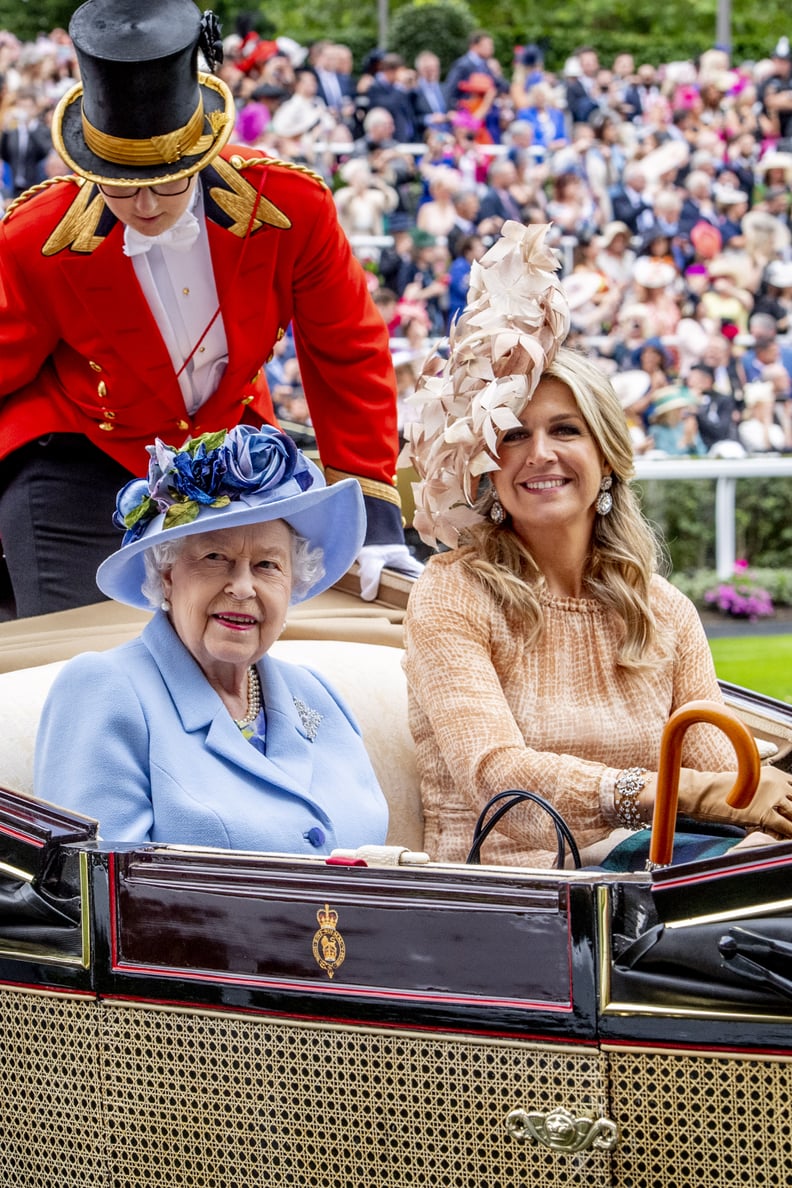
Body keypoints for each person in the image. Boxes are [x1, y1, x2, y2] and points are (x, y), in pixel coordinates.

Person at [0, 0, 417, 620]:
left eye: (168, 181)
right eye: (119, 184)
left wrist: (378, 514)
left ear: (204, 150)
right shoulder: (31, 237)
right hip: (81, 457)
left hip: (230, 450)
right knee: (82, 658)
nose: (143, 207)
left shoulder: (292, 208)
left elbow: (347, 350)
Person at [400, 221, 792, 870]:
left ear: (606, 458)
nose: (541, 454)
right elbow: (498, 777)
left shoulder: (662, 610)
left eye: (565, 430)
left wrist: (752, 803)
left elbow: (725, 781)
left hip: (649, 890)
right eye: (516, 436)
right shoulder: (452, 592)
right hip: (510, 904)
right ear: (491, 466)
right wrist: (678, 794)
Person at [34, 423, 388, 851]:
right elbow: (98, 894)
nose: (242, 587)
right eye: (215, 557)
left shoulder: (315, 692)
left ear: (293, 583)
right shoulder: (105, 688)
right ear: (167, 576)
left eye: (267, 566)